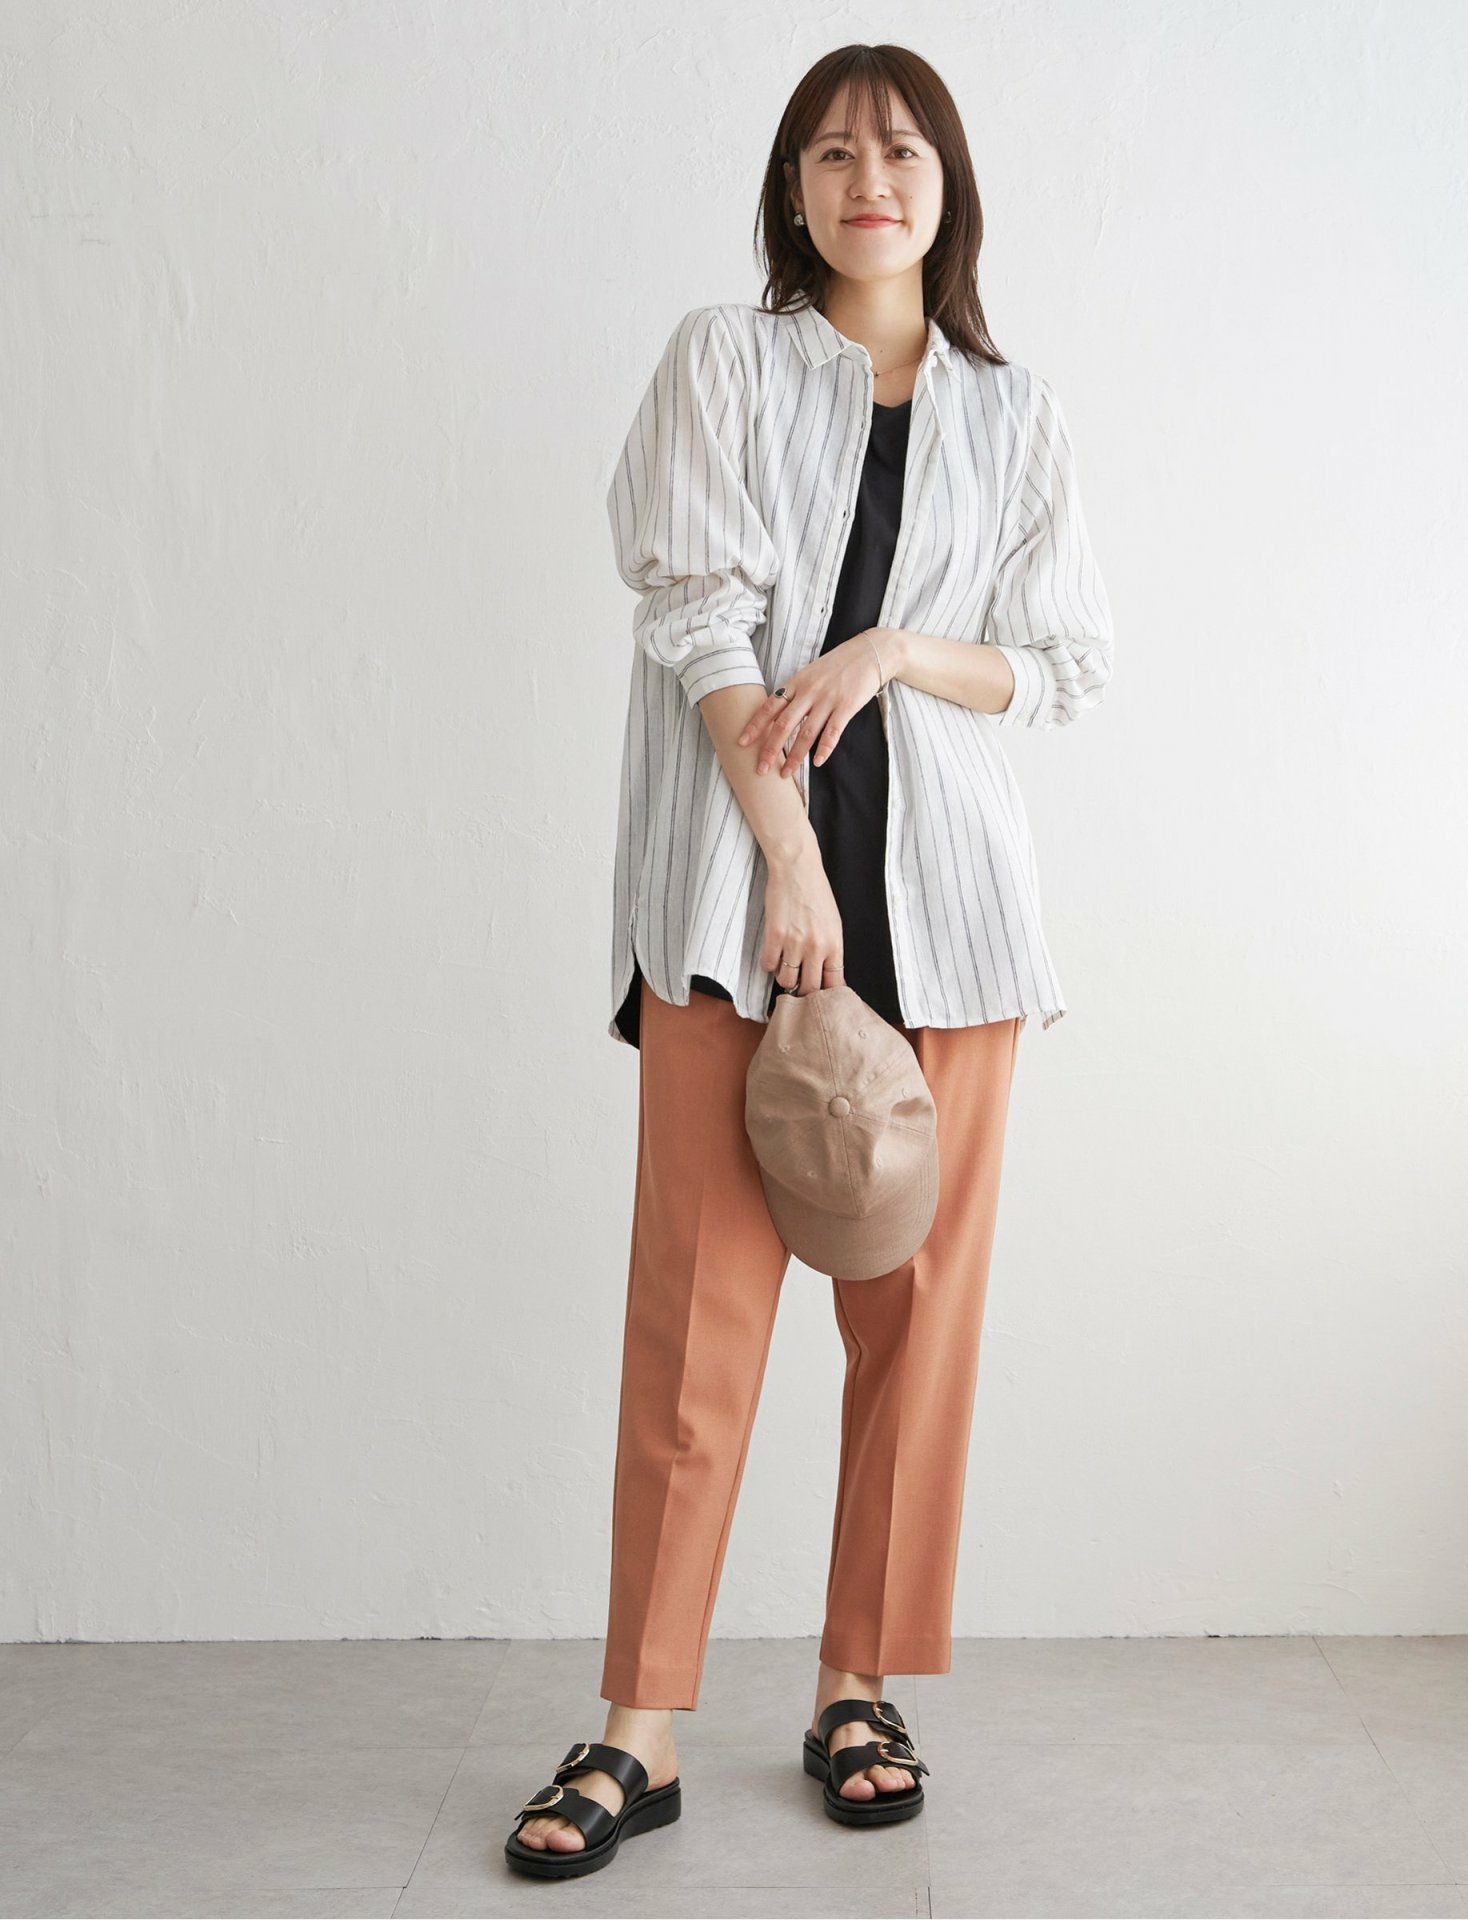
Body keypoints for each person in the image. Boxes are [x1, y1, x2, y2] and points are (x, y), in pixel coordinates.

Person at [507, 40, 1114, 1879]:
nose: (871, 180)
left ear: (951, 187)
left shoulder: (1018, 416)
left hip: (952, 927)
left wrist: (899, 650)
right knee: (695, 1325)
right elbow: (693, 604)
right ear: (793, 188)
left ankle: (859, 1687)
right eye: (835, 153)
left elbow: (1062, 663)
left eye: (903, 150)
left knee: (914, 1330)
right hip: (733, 909)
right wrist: (783, 850)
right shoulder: (725, 360)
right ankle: (640, 1725)